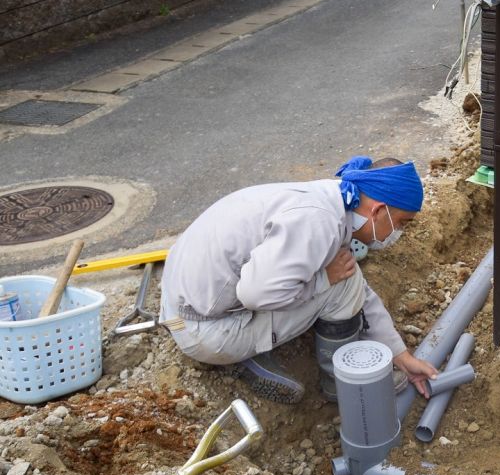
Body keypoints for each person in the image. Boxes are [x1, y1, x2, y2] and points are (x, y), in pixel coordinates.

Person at [158, 156, 437, 404]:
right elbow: (255, 295)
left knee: (343, 276)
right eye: (401, 223)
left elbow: (360, 289)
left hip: (180, 302)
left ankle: (251, 351)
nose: (399, 233)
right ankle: (342, 385)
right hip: (205, 329)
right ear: (377, 211)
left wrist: (400, 354)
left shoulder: (333, 200)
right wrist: (322, 281)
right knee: (341, 284)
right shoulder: (318, 224)